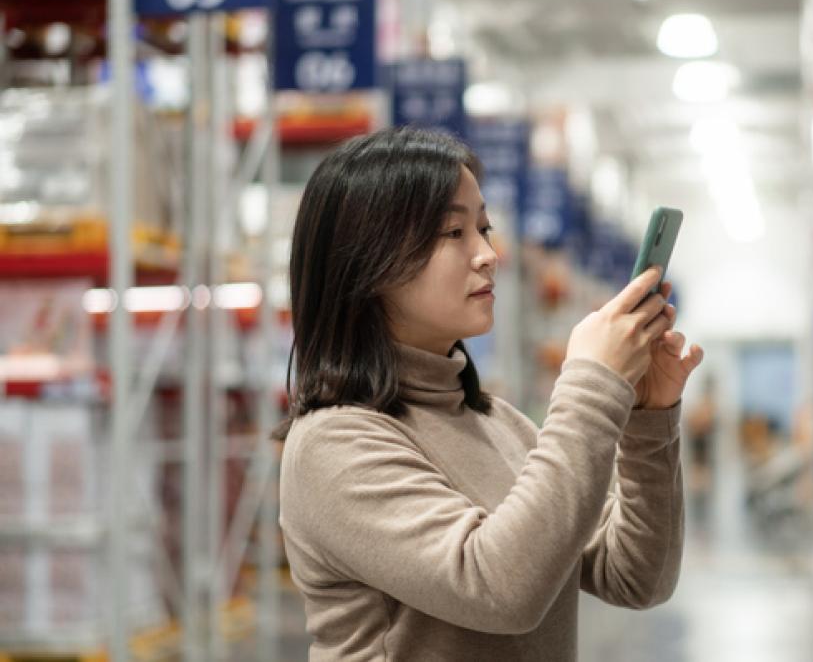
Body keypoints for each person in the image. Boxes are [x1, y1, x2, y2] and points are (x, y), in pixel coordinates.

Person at [275, 126, 704, 661]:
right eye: (453, 233)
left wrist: (647, 418)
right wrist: (590, 384)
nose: (488, 254)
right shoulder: (335, 444)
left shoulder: (500, 424)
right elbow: (499, 590)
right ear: (367, 259)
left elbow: (638, 576)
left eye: (484, 227)